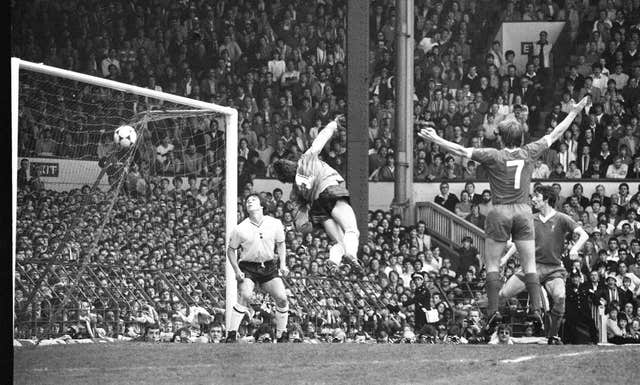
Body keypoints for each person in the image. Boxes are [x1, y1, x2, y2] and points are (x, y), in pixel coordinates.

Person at [418, 96, 588, 326]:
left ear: (501, 138)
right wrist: (573, 112)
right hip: (524, 211)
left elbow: (460, 150)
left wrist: (436, 138)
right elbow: (556, 133)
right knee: (530, 265)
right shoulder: (529, 151)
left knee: (493, 265)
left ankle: (493, 312)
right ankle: (537, 309)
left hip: (499, 211)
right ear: (520, 138)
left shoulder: (494, 155)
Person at [271, 115, 363, 274]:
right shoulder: (305, 159)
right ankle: (352, 256)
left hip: (319, 208)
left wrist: (308, 228)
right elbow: (320, 140)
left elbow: (300, 221)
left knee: (339, 241)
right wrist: (334, 124)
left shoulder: (295, 192)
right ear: (290, 164)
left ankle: (333, 261)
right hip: (331, 190)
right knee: (352, 230)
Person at [499, 185, 589, 344]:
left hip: (554, 269)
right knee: (503, 294)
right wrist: (505, 258)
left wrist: (575, 248)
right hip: (532, 267)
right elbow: (519, 241)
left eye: (537, 197)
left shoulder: (562, 218)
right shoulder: (531, 219)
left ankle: (552, 335)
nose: (533, 199)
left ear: (546, 200)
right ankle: (494, 332)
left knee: (560, 297)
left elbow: (584, 235)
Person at [226, 194, 290, 343]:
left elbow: (281, 243)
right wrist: (237, 270)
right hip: (248, 266)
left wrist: (282, 264)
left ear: (261, 205)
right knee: (245, 295)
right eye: (247, 200)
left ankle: (281, 334)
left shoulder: (274, 223)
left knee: (282, 298)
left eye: (253, 199)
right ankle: (231, 333)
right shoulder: (240, 228)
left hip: (268, 265)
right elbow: (231, 250)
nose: (249, 201)